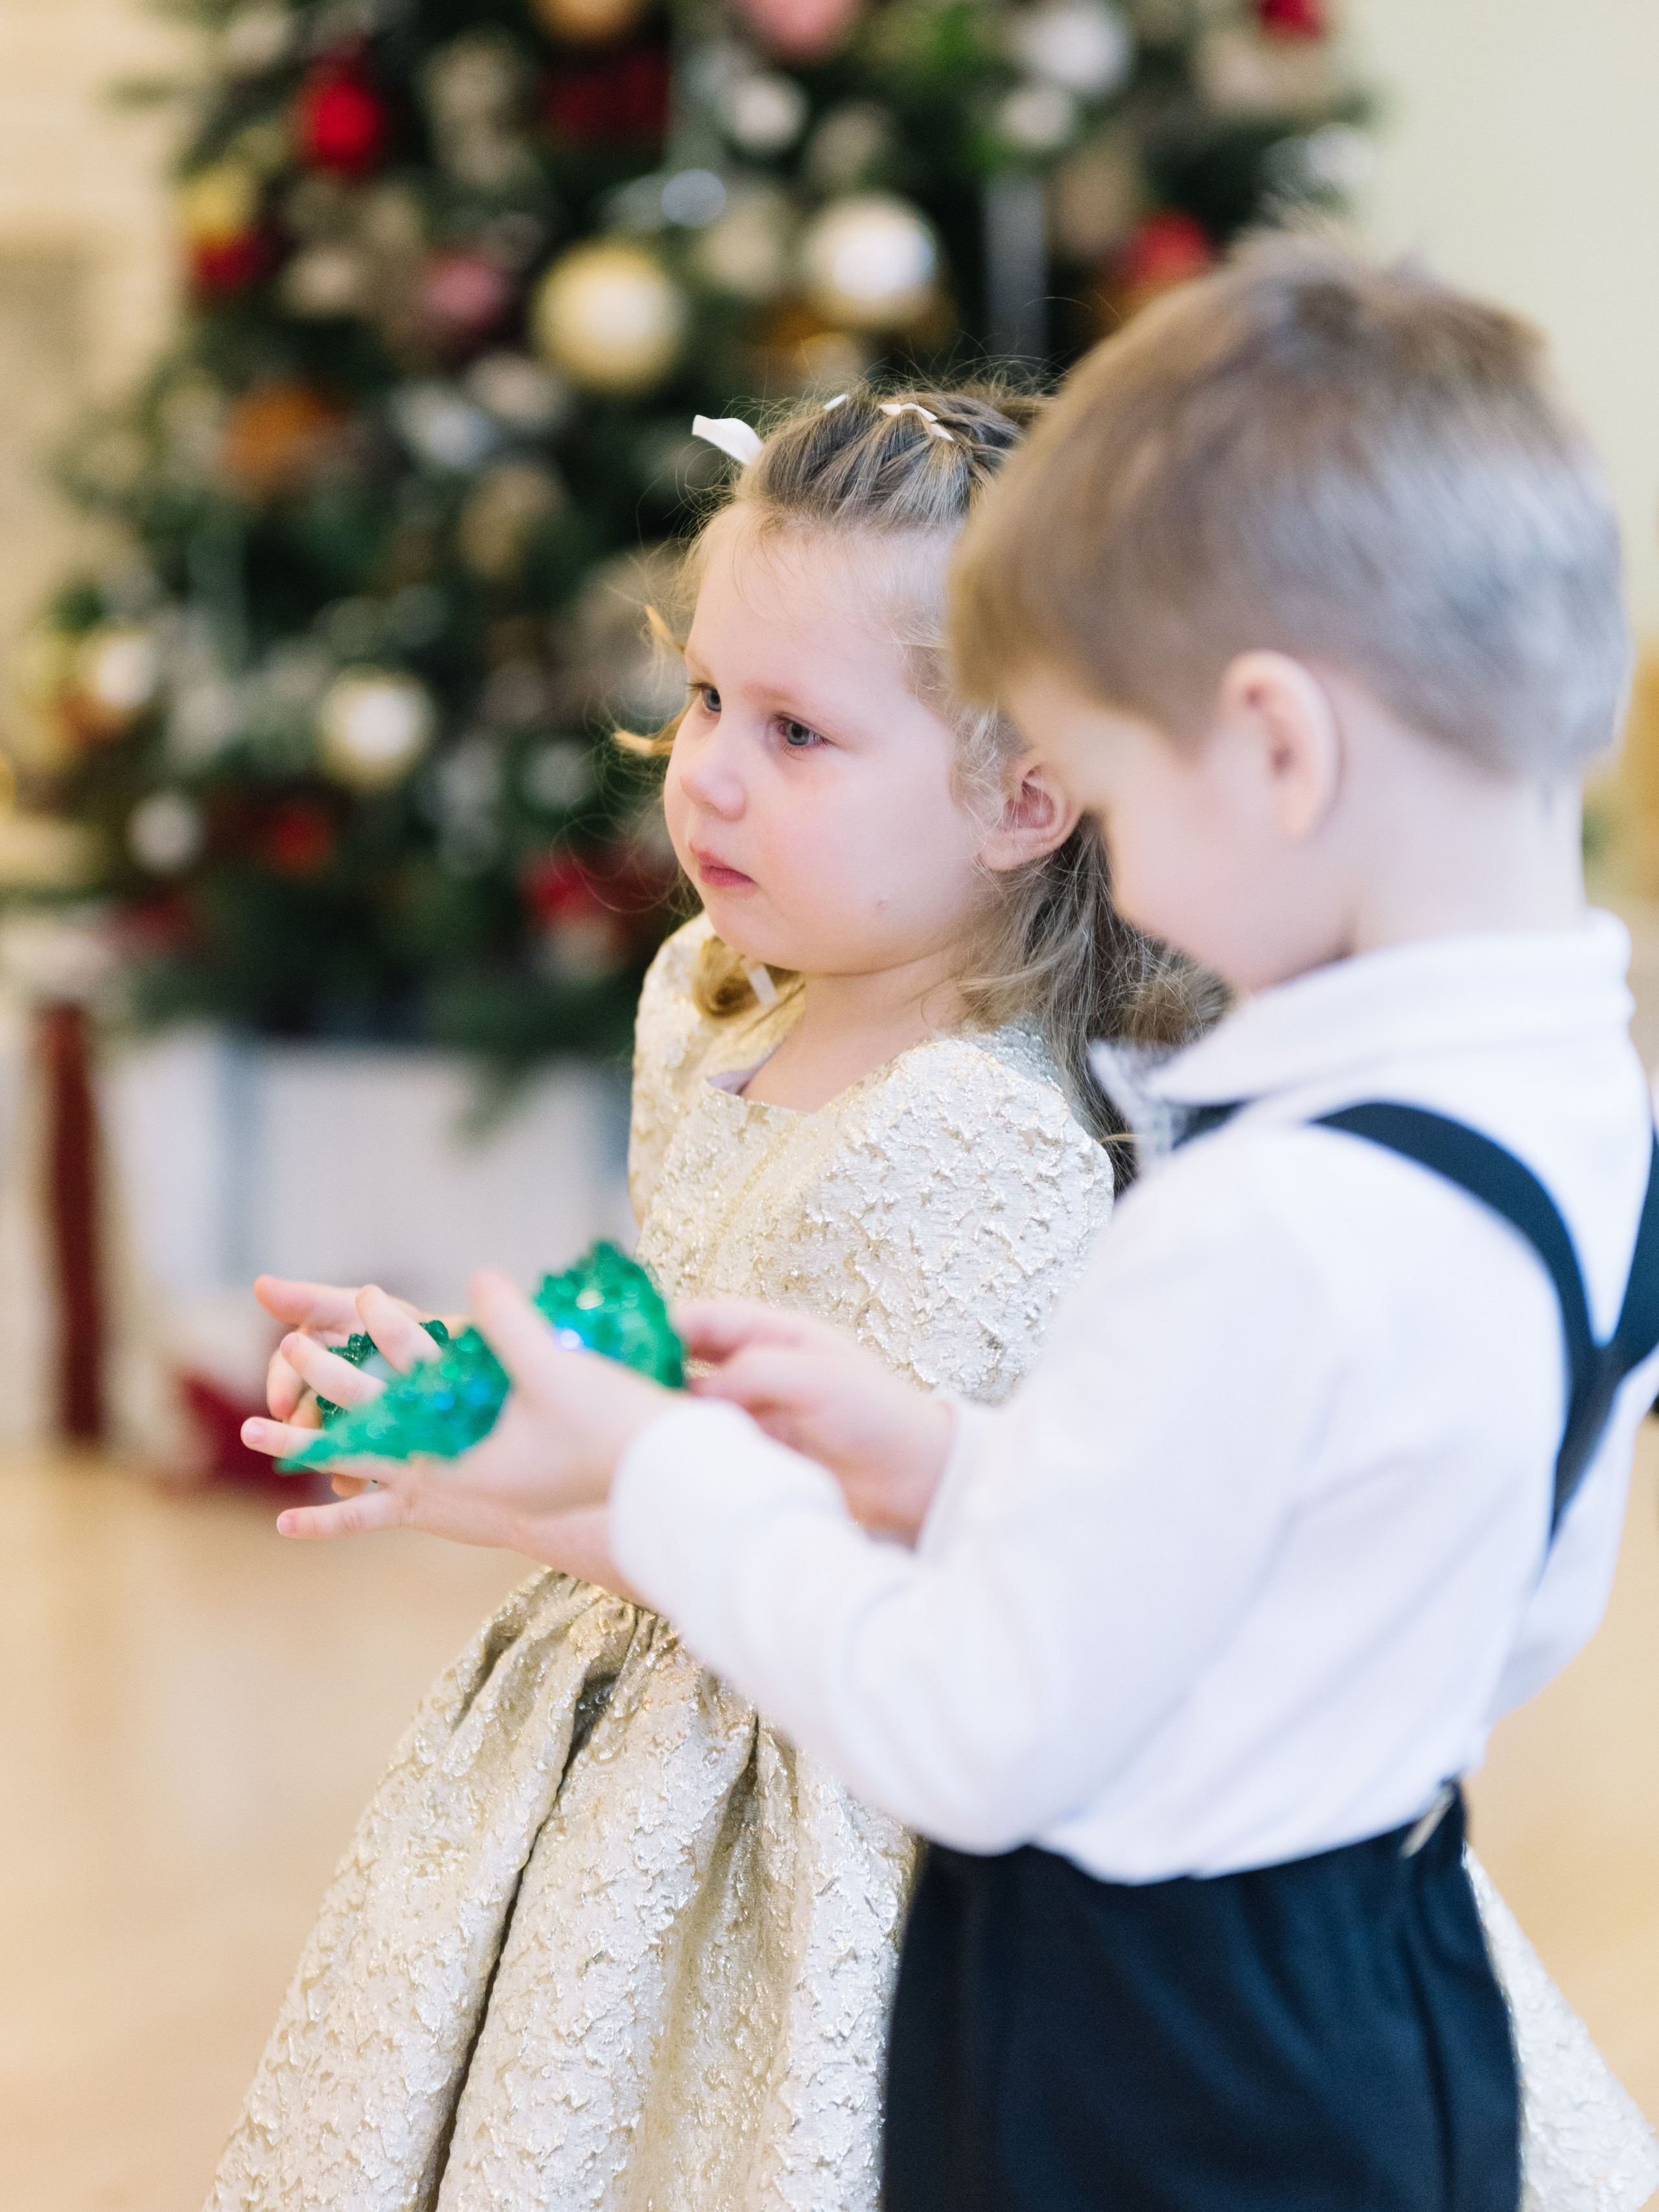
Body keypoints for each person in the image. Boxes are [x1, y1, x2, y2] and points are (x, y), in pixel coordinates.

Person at [388, 239, 1659, 2211]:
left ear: (1276, 749)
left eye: (1120, 788)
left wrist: (658, 1480)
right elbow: (1375, 1583)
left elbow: (977, 1734)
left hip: (1166, 2059)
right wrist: (965, 1469)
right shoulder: (1576, 1124)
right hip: (1386, 1983)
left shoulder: (1274, 1220)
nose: (1108, 863)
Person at [206, 386, 1201, 2212]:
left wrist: (521, 1485)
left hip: (821, 1819)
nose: (710, 774)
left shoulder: (977, 1134)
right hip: (625, 1744)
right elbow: (672, 1372)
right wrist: (468, 1397)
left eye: (801, 731)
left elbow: (870, 1573)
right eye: (705, 702)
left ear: (1023, 795)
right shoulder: (716, 1002)